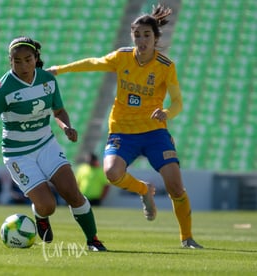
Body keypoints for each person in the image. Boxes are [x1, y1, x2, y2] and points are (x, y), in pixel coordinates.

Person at [47, 4, 203, 249]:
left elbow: (178, 102)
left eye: (147, 35)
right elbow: (94, 62)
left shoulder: (165, 66)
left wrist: (166, 112)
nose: (141, 40)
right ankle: (144, 190)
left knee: (175, 186)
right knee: (111, 172)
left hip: (154, 133)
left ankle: (187, 238)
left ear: (156, 37)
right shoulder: (122, 57)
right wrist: (59, 69)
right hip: (122, 131)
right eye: (137, 35)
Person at [0, 36, 107, 251]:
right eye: (16, 61)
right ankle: (41, 215)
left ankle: (93, 240)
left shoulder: (48, 80)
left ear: (36, 58)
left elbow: (58, 111)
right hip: (18, 154)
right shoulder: (3, 89)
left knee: (72, 193)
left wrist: (66, 126)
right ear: (10, 61)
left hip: (46, 145)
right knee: (48, 205)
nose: (23, 65)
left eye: (27, 59)